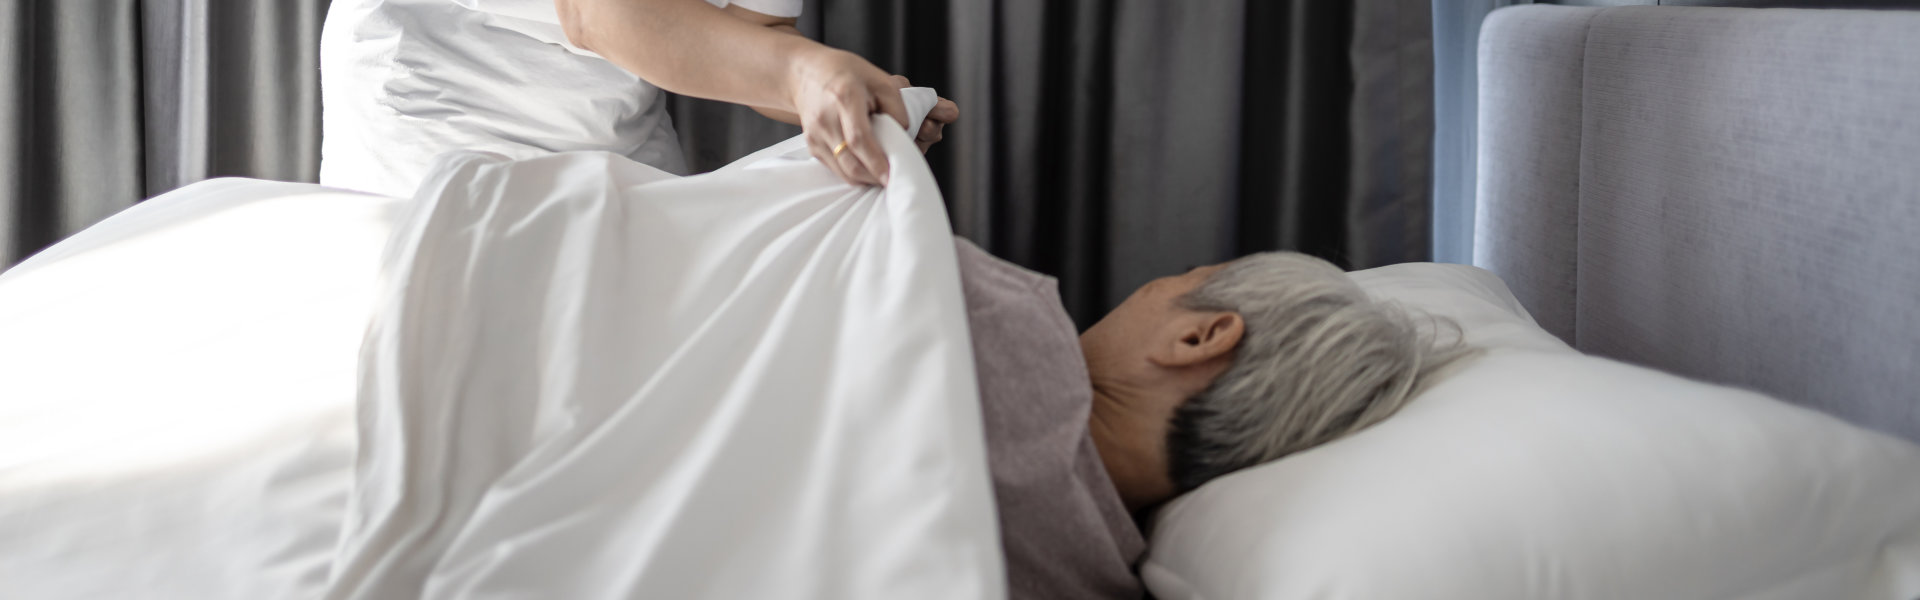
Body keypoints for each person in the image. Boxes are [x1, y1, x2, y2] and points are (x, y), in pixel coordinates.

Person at [954, 239, 1474, 598]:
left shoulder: (993, 318)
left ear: (1197, 339)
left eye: (1184, 278)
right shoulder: (1090, 584)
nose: (1147, 286)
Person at [319, 0, 959, 197]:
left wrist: (852, 105)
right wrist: (805, 74)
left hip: (613, 122)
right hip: (437, 111)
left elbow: (754, 34)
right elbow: (594, 12)